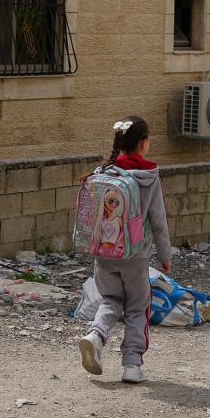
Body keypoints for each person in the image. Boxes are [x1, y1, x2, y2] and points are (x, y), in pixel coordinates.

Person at [78, 116, 172, 384]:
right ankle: (132, 365)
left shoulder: (104, 173)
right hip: (135, 256)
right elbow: (158, 221)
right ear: (143, 144)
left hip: (104, 253)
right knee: (137, 308)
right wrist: (165, 257)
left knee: (110, 300)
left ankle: (95, 335)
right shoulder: (149, 176)